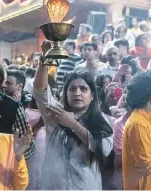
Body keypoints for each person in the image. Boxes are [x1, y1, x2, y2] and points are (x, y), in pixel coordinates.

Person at [34, 47, 113, 189]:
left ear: (92, 95)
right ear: (65, 93)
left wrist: (72, 124)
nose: (77, 93)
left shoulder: (102, 120)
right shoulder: (54, 114)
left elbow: (104, 149)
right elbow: (39, 91)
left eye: (83, 89)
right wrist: (44, 61)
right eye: (72, 89)